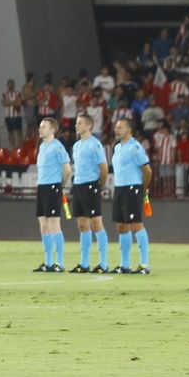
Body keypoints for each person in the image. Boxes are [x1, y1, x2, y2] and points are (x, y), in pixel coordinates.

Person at [110, 117, 153, 274]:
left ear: (129, 129)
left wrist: (143, 188)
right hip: (120, 189)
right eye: (116, 127)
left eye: (120, 127)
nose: (117, 129)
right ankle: (125, 264)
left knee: (135, 224)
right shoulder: (117, 147)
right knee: (121, 226)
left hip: (132, 188)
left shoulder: (135, 147)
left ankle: (144, 264)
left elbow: (147, 171)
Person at [69, 112, 110, 273]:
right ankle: (84, 264)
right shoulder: (76, 145)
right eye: (76, 123)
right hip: (78, 185)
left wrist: (100, 185)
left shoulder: (96, 144)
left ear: (88, 126)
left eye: (79, 123)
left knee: (96, 223)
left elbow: (104, 168)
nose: (76, 126)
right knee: (82, 224)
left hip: (91, 185)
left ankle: (104, 263)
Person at [31, 116, 72, 272]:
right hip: (42, 187)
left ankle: (59, 263)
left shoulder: (58, 147)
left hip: (53, 187)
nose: (40, 129)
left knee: (54, 224)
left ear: (52, 129)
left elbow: (67, 169)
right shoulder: (42, 146)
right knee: (43, 224)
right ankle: (48, 262)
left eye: (44, 127)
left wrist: (60, 184)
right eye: (40, 126)